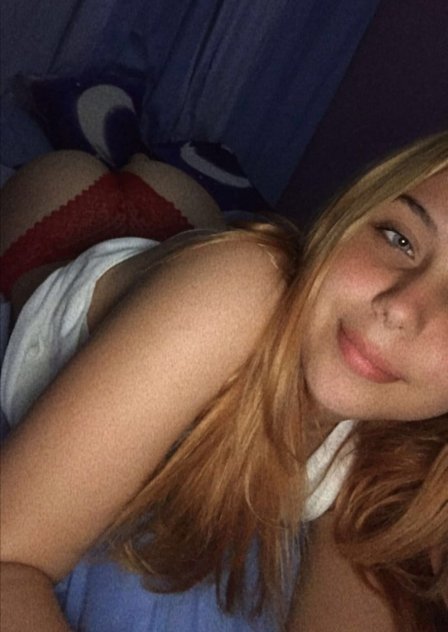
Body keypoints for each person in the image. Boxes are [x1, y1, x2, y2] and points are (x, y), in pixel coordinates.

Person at [0, 134, 447, 632]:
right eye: (399, 238)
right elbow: (8, 561)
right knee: (80, 170)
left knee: (184, 209)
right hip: (60, 231)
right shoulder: (242, 290)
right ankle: (135, 145)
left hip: (182, 251)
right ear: (349, 214)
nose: (401, 308)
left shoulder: (399, 445)